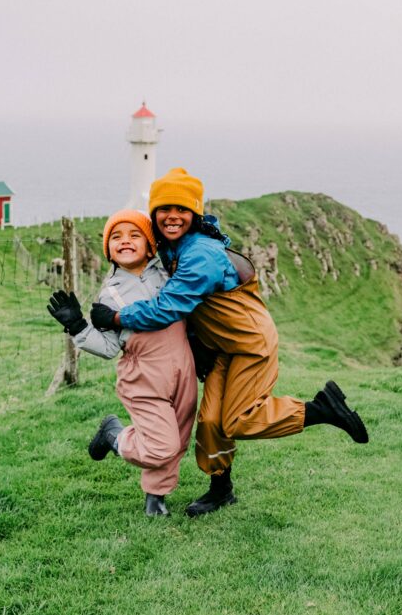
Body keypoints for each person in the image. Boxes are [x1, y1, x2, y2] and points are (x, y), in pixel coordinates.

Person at [90, 169, 368, 518]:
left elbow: (169, 308)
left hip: (250, 344)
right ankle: (222, 491)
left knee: (239, 420)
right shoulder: (174, 249)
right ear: (155, 212)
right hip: (224, 347)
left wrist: (116, 319)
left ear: (195, 213)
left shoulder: (200, 255)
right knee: (210, 423)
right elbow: (190, 312)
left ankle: (321, 410)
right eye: (164, 208)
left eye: (182, 208)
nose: (172, 216)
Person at [47, 209, 197, 517]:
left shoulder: (167, 272)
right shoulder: (109, 295)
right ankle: (113, 435)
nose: (125, 241)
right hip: (143, 377)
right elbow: (108, 347)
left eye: (134, 235)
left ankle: (155, 498)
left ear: (149, 245)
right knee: (160, 445)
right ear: (108, 249)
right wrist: (78, 326)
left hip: (183, 370)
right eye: (116, 237)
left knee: (178, 438)